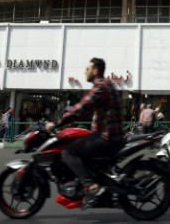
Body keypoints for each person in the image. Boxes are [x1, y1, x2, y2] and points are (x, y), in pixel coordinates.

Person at [46, 57, 123, 208]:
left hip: (107, 137)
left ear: (95, 71)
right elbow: (85, 111)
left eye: (87, 69)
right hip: (106, 134)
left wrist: (57, 123)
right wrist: (70, 119)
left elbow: (82, 107)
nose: (85, 72)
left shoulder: (101, 86)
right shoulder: (105, 86)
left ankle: (91, 186)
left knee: (68, 152)